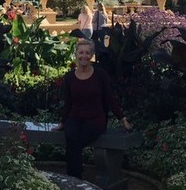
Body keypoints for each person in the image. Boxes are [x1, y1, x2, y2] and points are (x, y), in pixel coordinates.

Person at [54, 39, 131, 179]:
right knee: (70, 136)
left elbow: (110, 98)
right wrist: (63, 122)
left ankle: (74, 176)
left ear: (92, 55)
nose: (84, 56)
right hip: (75, 117)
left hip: (95, 119)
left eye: (87, 53)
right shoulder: (70, 77)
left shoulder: (100, 75)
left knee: (77, 140)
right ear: (76, 54)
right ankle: (75, 176)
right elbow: (68, 103)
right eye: (81, 52)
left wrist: (122, 118)